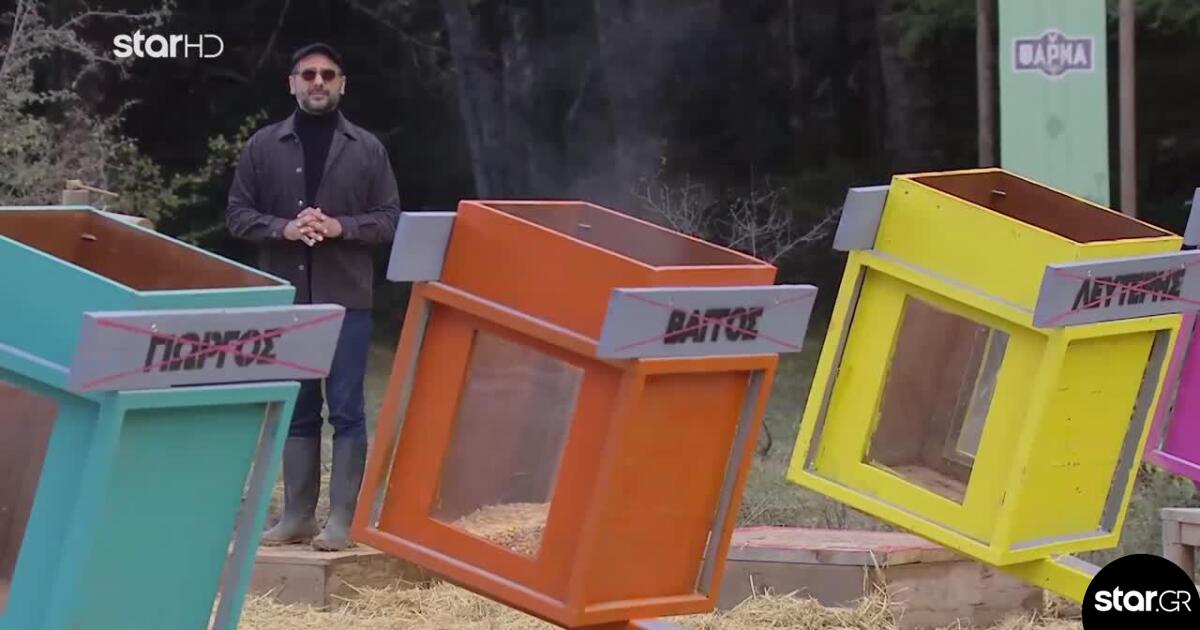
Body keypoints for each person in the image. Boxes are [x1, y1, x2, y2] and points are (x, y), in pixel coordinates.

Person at [226, 42, 400, 551]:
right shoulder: (263, 146)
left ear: (342, 83)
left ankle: (342, 520)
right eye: (308, 74)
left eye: (327, 74)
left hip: (347, 299)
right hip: (288, 302)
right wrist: (283, 228)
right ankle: (297, 516)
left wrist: (340, 226)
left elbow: (389, 219)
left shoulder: (367, 148)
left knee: (346, 409)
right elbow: (237, 215)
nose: (318, 82)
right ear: (292, 83)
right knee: (297, 408)